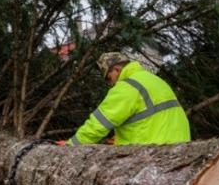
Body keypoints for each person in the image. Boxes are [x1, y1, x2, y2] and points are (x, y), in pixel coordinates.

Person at [59, 52, 190, 146]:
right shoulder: (154, 79)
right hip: (181, 145)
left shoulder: (127, 86)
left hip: (155, 149)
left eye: (109, 78)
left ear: (116, 69)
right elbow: (155, 118)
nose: (110, 84)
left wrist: (71, 145)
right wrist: (122, 136)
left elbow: (98, 125)